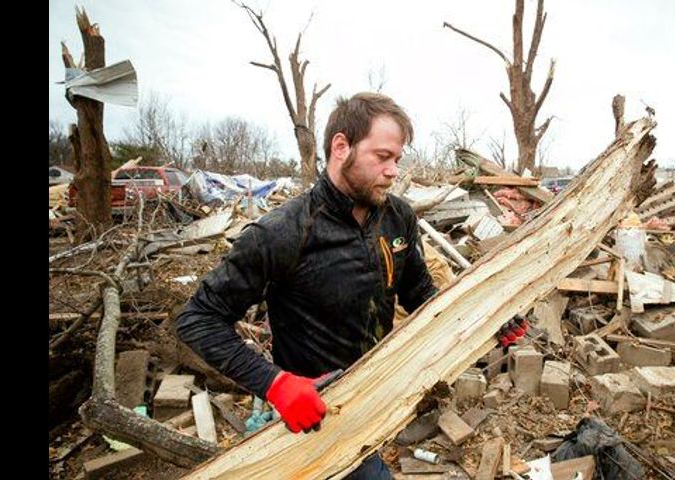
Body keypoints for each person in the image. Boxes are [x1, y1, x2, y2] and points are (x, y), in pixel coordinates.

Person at [176, 92, 525, 478]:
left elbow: (418, 291)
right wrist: (276, 385)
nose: (393, 171)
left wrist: (483, 316)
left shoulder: (398, 218)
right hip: (316, 416)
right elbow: (198, 318)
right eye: (382, 157)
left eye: (397, 159)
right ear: (341, 147)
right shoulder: (282, 234)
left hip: (377, 399)